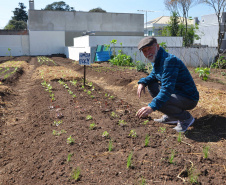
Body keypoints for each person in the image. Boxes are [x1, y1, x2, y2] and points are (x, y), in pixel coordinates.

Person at [136, 36, 199, 132]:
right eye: (144, 51)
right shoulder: (157, 59)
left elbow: (166, 90)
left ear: (157, 46)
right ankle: (172, 116)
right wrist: (142, 82)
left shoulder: (169, 61)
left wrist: (151, 107)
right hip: (177, 93)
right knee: (152, 85)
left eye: (150, 48)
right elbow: (153, 76)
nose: (148, 52)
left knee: (162, 99)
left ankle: (185, 118)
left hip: (188, 98)